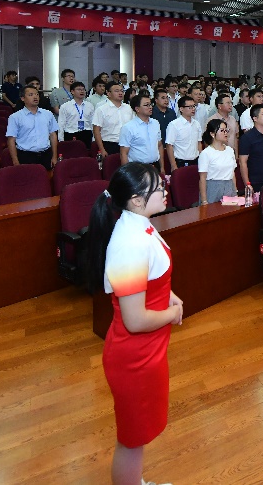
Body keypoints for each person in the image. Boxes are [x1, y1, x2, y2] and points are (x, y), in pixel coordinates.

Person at [82, 162, 182, 485]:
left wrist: (168, 296)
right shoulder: (129, 243)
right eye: (158, 186)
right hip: (134, 357)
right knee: (131, 439)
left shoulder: (140, 226)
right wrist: (173, 314)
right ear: (137, 200)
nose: (165, 189)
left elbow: (150, 277)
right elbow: (135, 319)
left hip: (148, 352)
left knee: (138, 434)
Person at [6, 84, 59, 167]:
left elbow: (53, 135)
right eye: (31, 95)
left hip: (46, 155)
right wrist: (15, 161)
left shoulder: (48, 114)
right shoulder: (15, 117)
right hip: (25, 156)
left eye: (37, 94)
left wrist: (54, 156)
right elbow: (11, 140)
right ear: (23, 98)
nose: (35, 97)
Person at [198, 118, 238, 205]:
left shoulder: (230, 150)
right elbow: (202, 178)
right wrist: (204, 201)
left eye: (226, 130)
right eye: (222, 131)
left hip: (229, 187)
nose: (225, 133)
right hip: (213, 188)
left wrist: (235, 191)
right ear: (212, 134)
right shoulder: (206, 153)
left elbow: (232, 173)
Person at [119, 93, 164, 168]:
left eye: (151, 104)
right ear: (137, 109)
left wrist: (162, 167)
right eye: (147, 105)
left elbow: (159, 145)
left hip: (155, 165)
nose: (150, 107)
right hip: (137, 168)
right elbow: (123, 153)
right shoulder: (128, 127)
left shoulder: (155, 123)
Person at [93, 81, 134, 156]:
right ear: (108, 93)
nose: (120, 93)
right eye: (116, 91)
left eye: (122, 91)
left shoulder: (128, 108)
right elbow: (96, 130)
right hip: (109, 144)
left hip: (128, 144)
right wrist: (102, 150)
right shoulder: (101, 109)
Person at [165, 96, 202, 170]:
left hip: (196, 161)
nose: (193, 109)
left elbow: (199, 143)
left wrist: (201, 159)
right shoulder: (174, 125)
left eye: (194, 106)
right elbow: (169, 146)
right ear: (181, 109)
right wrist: (173, 165)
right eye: (190, 107)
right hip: (181, 162)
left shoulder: (197, 124)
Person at [58, 81, 95, 147]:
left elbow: (93, 123)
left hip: (87, 134)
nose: (82, 91)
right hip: (71, 134)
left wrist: (94, 138)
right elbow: (61, 124)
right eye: (79, 89)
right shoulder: (65, 106)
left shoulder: (90, 105)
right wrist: (61, 140)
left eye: (83, 89)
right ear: (72, 91)